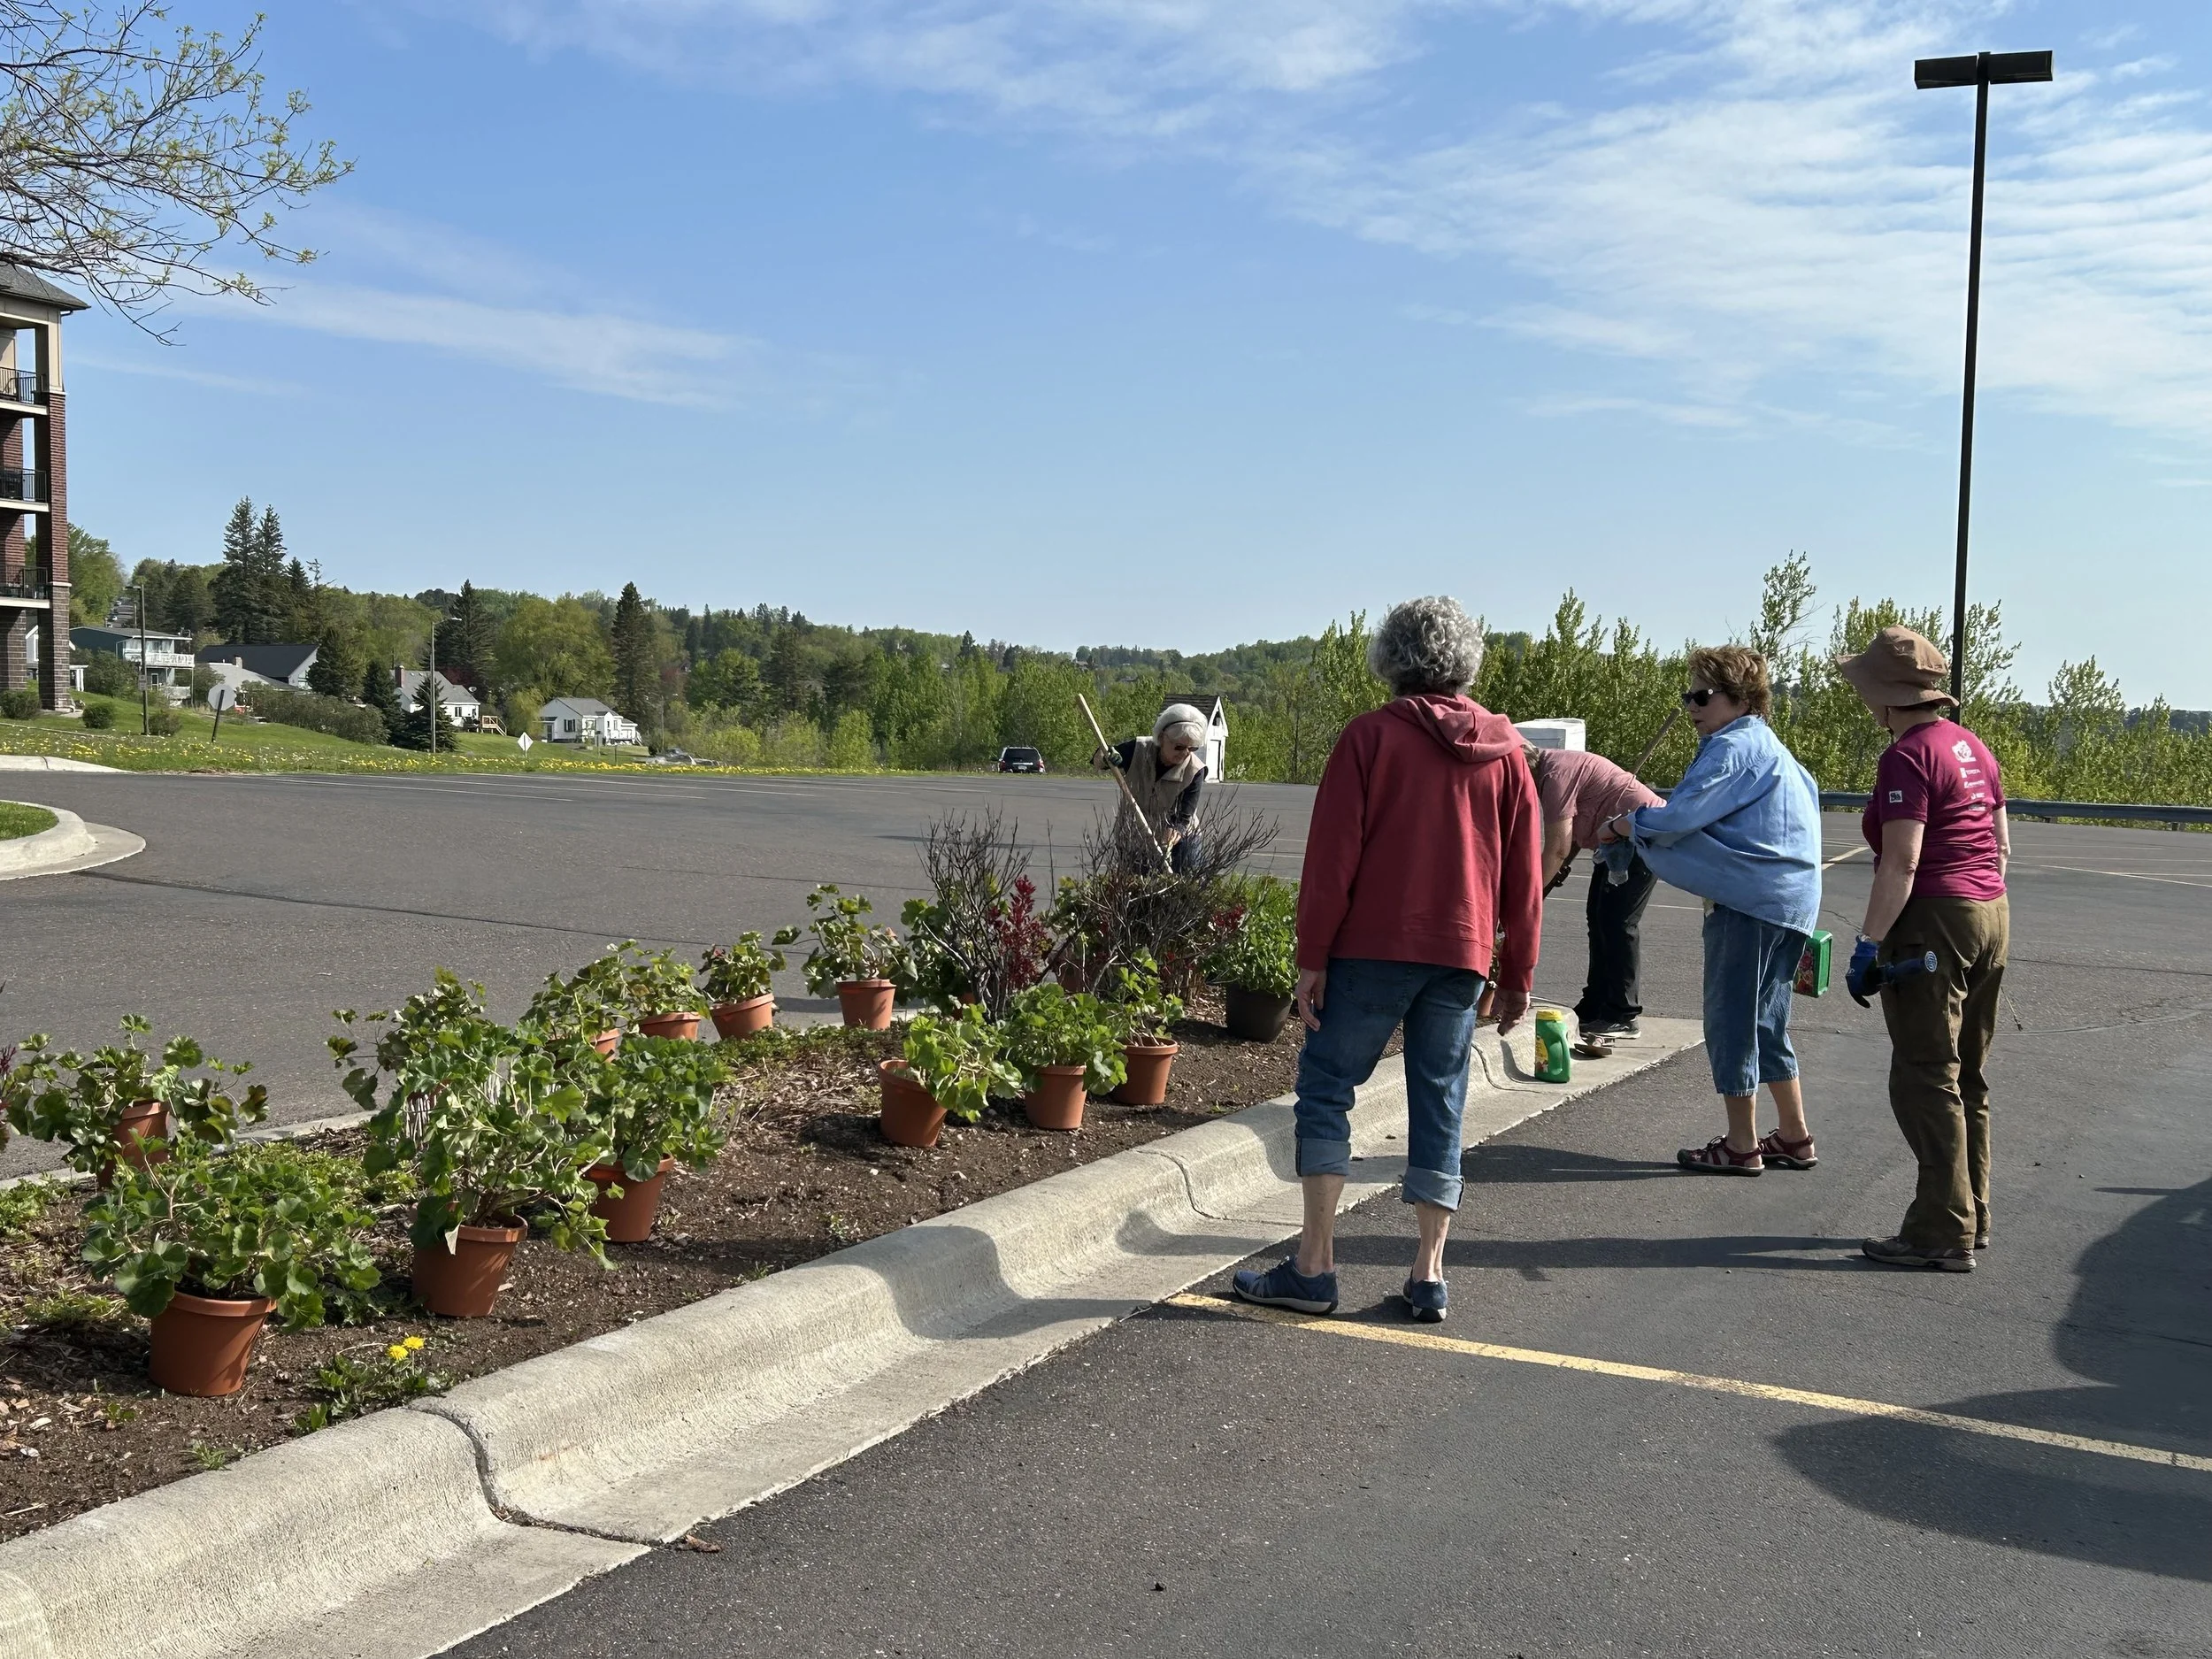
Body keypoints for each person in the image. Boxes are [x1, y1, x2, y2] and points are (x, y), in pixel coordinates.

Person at [1233, 596, 1543, 1325]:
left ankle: (1314, 1264)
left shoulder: (1369, 737)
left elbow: (1332, 858)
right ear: (1466, 660)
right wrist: (1518, 972)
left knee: (1328, 1083)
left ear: (1392, 658)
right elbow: (1525, 879)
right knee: (1441, 1097)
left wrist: (1312, 956)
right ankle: (1429, 1270)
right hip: (1462, 952)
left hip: (1373, 943)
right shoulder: (1508, 756)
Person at [1598, 646, 1821, 1176]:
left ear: (1740, 699)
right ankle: (1793, 1136)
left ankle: (1741, 1146)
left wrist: (1625, 824)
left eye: (1702, 696)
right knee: (1769, 1022)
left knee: (1731, 1021)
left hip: (1748, 903)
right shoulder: (1771, 746)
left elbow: (1677, 818)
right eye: (1688, 695)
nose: (1691, 706)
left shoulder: (1731, 747)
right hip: (1789, 902)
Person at [1837, 626, 2009, 1272]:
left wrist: (1869, 943)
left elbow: (1902, 862)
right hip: (1990, 911)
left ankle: (1941, 1227)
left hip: (1935, 918)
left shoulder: (1906, 756)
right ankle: (1972, 1209)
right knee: (1967, 1073)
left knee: (1923, 1076)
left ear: (1884, 694)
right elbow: (2000, 842)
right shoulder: (1971, 745)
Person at [1527, 743, 1663, 1046]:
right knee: (1599, 919)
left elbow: (1558, 848)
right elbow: (1571, 838)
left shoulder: (1554, 775)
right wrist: (1549, 881)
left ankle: (1623, 1014)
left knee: (1618, 922)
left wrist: (1529, 895)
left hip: (1641, 837)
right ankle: (1595, 1005)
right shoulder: (1554, 767)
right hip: (1614, 843)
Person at [1093, 703, 1208, 872]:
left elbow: (1184, 816)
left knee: (1182, 888)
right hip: (1134, 835)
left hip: (1180, 844)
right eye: (1179, 747)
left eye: (1192, 748)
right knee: (1134, 890)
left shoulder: (1195, 770)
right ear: (1162, 738)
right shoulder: (1137, 749)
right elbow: (1100, 760)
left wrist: (1173, 834)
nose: (1185, 753)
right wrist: (1106, 757)